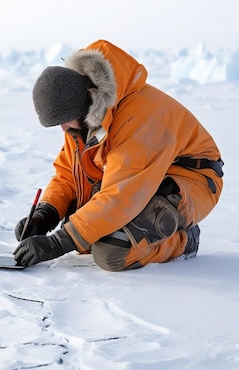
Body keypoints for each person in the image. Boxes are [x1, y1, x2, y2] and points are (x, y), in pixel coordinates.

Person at [13, 40, 224, 271]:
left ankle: (184, 241)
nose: (63, 129)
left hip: (189, 182)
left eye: (63, 120)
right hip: (141, 177)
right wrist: (46, 214)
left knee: (113, 252)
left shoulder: (141, 117)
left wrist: (57, 243)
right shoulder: (84, 120)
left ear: (82, 105)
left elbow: (121, 196)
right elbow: (69, 174)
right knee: (85, 237)